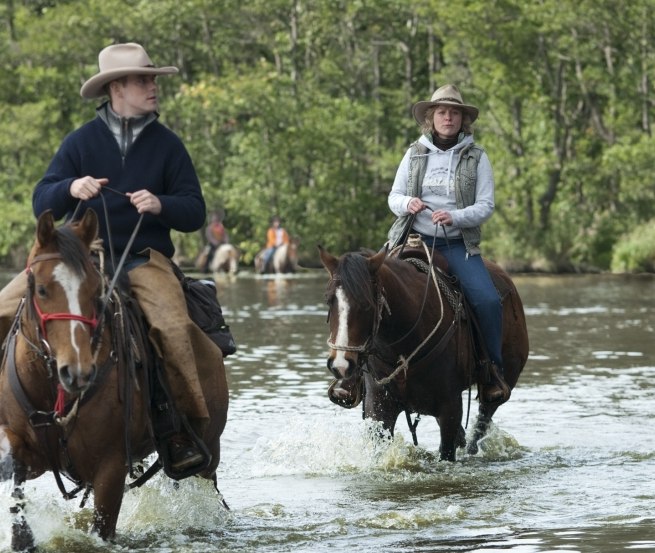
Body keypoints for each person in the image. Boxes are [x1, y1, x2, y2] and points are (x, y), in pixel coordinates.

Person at [5, 42, 222, 472]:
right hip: (78, 260)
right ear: (117, 88)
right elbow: (40, 199)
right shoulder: (80, 141)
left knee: (173, 326)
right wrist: (71, 188)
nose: (153, 86)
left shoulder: (168, 145)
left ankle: (178, 430)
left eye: (153, 79)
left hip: (145, 260)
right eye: (144, 79)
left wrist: (161, 204)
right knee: (3, 306)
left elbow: (194, 210)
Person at [387, 83, 510, 404]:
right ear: (431, 117)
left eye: (454, 112)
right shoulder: (414, 154)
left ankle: (491, 371)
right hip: (412, 238)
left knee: (487, 301)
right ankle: (361, 369)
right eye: (442, 112)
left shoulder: (477, 157)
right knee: (366, 287)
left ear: (462, 119)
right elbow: (394, 196)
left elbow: (486, 206)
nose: (448, 117)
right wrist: (407, 204)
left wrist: (455, 217)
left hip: (455, 245)